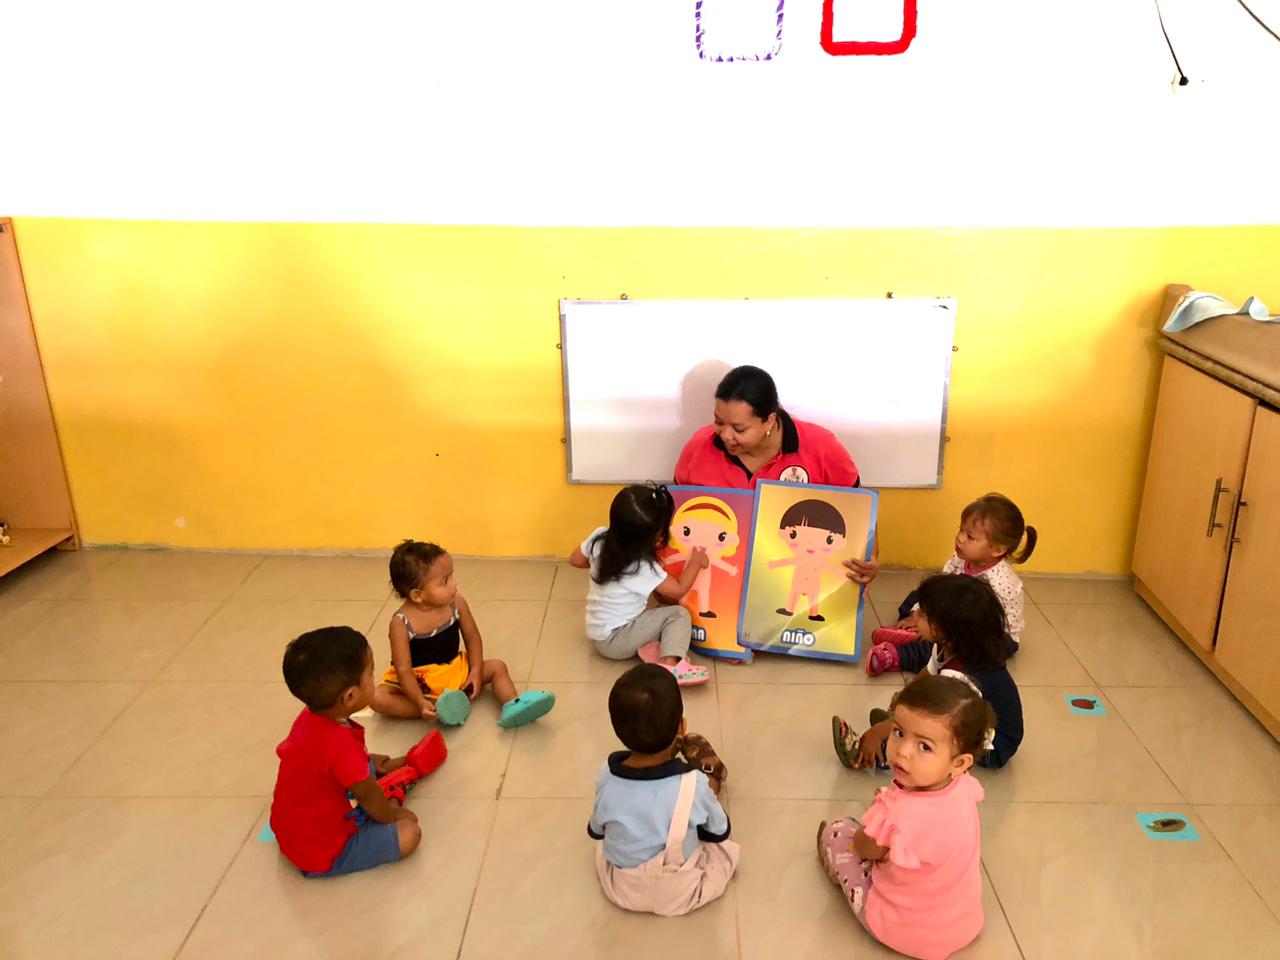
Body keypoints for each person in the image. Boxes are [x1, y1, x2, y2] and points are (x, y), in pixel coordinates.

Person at [817, 674, 994, 960]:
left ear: (959, 762)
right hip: (964, 923)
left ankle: (835, 863)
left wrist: (874, 828)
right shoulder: (964, 786)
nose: (903, 751)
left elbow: (865, 848)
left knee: (839, 832)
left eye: (924, 746)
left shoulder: (897, 813)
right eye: (899, 732)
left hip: (902, 930)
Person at [673, 364, 878, 587]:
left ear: (769, 420)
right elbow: (674, 514)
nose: (725, 436)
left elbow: (859, 507)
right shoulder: (699, 447)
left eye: (739, 429)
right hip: (718, 580)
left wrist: (870, 557)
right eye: (719, 423)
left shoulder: (821, 447)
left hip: (792, 578)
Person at [270, 626, 421, 877]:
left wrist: (367, 764)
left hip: (293, 830)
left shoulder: (310, 718)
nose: (374, 679)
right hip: (325, 851)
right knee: (409, 832)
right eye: (370, 674)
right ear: (350, 696)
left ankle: (378, 769)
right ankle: (388, 793)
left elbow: (326, 762)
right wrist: (391, 816)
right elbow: (368, 795)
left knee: (361, 768)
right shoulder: (341, 747)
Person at [589, 664, 738, 916]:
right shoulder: (692, 783)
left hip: (621, 886)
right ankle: (711, 776)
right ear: (681, 726)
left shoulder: (606, 773)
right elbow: (719, 831)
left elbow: (597, 830)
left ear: (617, 729)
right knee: (706, 818)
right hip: (681, 888)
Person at [834, 573, 1023, 770]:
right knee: (917, 717)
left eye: (923, 614)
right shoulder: (949, 646)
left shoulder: (961, 675)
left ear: (946, 629)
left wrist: (878, 732)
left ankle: (883, 751)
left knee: (927, 730)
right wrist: (905, 696)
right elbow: (928, 673)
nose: (914, 614)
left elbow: (929, 714)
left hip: (993, 745)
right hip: (968, 720)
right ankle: (897, 728)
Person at [371, 540, 555, 728]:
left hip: (455, 670)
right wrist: (419, 701)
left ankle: (512, 703)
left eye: (451, 576)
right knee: (377, 698)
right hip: (420, 682)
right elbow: (403, 669)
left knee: (497, 667)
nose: (454, 584)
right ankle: (432, 709)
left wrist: (475, 670)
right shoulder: (401, 623)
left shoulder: (456, 603)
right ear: (418, 595)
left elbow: (472, 637)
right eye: (445, 581)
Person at [869, 493, 1037, 674]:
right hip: (956, 614)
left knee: (950, 650)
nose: (960, 538)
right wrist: (918, 613)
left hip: (990, 636)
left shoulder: (999, 582)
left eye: (970, 537)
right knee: (918, 595)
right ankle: (913, 628)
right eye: (961, 530)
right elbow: (939, 593)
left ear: (997, 550)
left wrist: (936, 626)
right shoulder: (959, 558)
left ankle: (899, 656)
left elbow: (974, 625)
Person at [570, 484, 711, 686]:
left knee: (661, 609)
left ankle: (649, 648)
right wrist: (695, 562)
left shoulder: (599, 537)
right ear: (652, 538)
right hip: (616, 640)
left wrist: (604, 565)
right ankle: (670, 666)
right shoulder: (641, 566)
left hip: (599, 632)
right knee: (678, 615)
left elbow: (576, 560)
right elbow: (678, 589)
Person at [662, 495, 741, 618]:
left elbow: (718, 562)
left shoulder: (708, 555)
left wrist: (731, 569)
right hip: (686, 579)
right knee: (684, 593)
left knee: (703, 592)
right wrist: (665, 561)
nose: (703, 538)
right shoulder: (691, 552)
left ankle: (703, 610)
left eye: (720, 536)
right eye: (687, 531)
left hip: (703, 580)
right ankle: (682, 607)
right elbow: (679, 557)